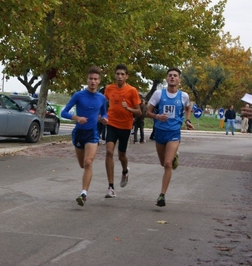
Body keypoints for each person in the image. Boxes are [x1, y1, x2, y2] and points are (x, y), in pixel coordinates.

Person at [146, 67, 194, 207]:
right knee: (163, 163)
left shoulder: (183, 96)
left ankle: (162, 195)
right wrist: (157, 116)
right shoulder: (158, 94)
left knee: (167, 164)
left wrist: (188, 120)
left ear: (179, 79)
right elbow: (148, 112)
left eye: (175, 75)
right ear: (167, 79)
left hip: (174, 133)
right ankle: (174, 157)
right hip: (160, 133)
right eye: (170, 75)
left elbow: (188, 107)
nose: (172, 77)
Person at [61, 66, 107, 206]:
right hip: (79, 133)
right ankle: (84, 190)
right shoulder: (78, 95)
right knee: (82, 164)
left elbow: (104, 112)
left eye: (95, 79)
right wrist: (76, 117)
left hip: (92, 133)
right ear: (87, 80)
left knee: (88, 162)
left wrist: (104, 118)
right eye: (90, 79)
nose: (93, 81)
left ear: (99, 81)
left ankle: (83, 193)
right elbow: (63, 112)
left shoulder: (102, 98)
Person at [104, 64, 141, 198]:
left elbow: (139, 111)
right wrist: (102, 116)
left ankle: (125, 171)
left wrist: (129, 109)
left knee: (121, 156)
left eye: (122, 74)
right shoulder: (109, 89)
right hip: (112, 124)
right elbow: (104, 103)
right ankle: (111, 187)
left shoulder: (132, 91)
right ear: (115, 75)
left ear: (126, 76)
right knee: (109, 152)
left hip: (125, 126)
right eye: (117, 74)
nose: (119, 76)